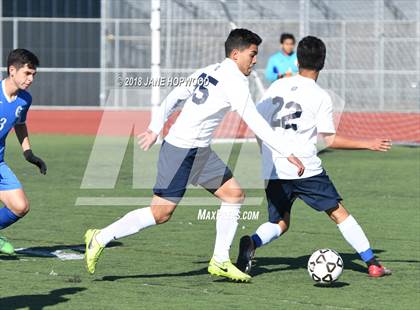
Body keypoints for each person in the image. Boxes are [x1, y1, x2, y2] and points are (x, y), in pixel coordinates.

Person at [84, 28, 305, 282]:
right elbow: (255, 121)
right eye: (252, 54)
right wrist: (287, 152)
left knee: (234, 195)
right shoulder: (235, 81)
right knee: (161, 213)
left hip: (200, 151)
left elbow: (174, 96)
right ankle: (99, 237)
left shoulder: (209, 70)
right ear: (236, 54)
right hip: (180, 150)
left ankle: (220, 260)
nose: (255, 60)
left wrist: (156, 127)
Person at [236, 36, 392, 278]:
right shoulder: (320, 96)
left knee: (280, 223)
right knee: (339, 213)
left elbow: (257, 125)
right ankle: (372, 263)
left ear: (297, 61)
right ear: (323, 63)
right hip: (305, 170)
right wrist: (368, 144)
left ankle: (252, 242)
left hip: (274, 168)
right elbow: (330, 140)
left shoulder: (276, 86)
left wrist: (265, 155)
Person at [0, 49, 47, 254]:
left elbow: (19, 123)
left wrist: (28, 153)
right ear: (12, 70)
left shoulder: (24, 100)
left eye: (33, 75)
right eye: (27, 73)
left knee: (20, 206)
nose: (30, 79)